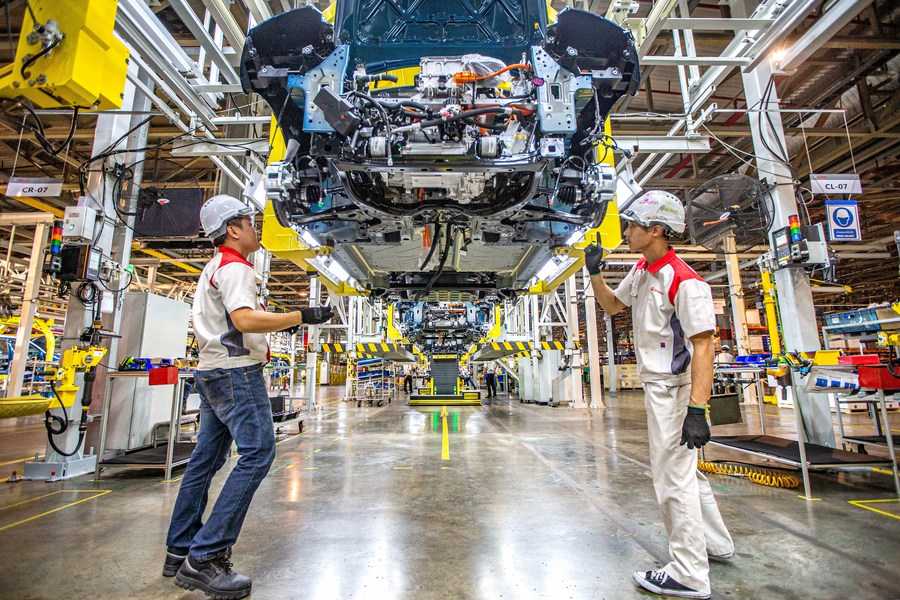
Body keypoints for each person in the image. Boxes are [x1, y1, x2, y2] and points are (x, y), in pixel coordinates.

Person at [164, 195, 334, 599]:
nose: (256, 228)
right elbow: (243, 320)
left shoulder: (214, 267)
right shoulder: (236, 267)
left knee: (205, 460)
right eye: (250, 222)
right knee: (259, 453)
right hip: (237, 374)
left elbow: (238, 320)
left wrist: (279, 321)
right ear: (233, 229)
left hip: (212, 372)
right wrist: (300, 316)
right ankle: (205, 557)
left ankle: (180, 548)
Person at [585, 190, 733, 600]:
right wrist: (595, 274)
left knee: (672, 480)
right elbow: (614, 306)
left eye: (632, 225)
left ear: (655, 230)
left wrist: (697, 410)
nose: (626, 231)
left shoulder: (685, 281)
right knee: (687, 474)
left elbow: (705, 346)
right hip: (659, 388)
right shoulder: (643, 269)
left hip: (676, 391)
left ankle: (689, 573)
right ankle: (716, 544)